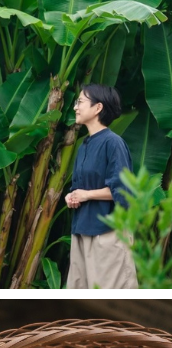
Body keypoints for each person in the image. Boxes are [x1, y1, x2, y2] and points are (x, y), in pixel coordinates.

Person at [64, 83, 137, 289]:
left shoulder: (113, 143)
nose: (75, 107)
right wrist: (72, 196)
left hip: (107, 233)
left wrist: (87, 195)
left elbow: (123, 190)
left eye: (80, 102)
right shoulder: (84, 145)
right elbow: (80, 186)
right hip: (81, 231)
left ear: (98, 108)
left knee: (109, 297)